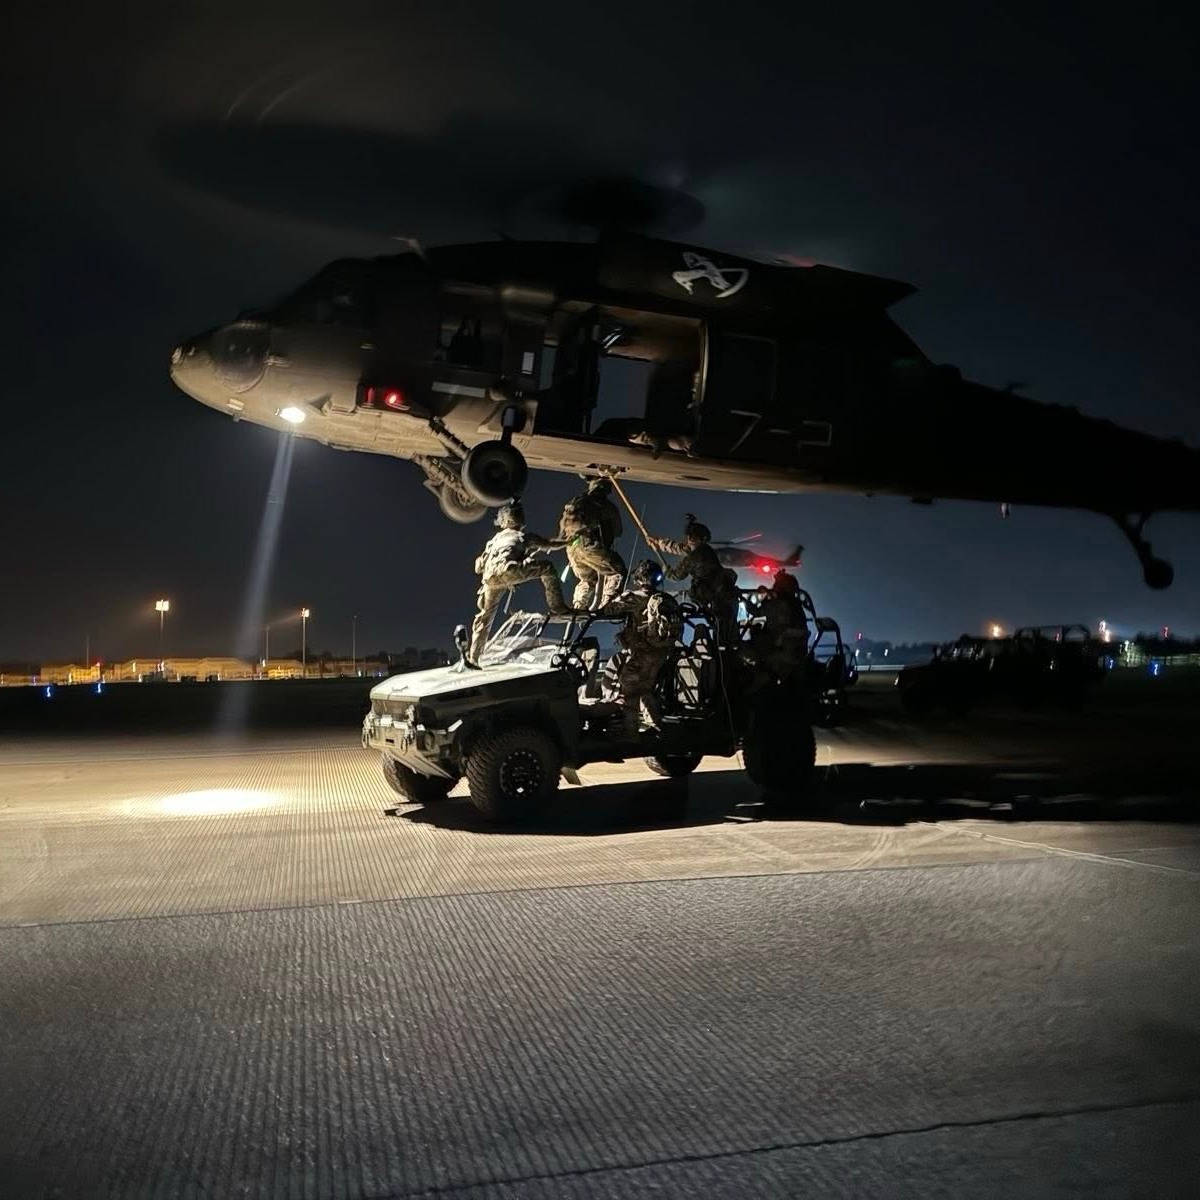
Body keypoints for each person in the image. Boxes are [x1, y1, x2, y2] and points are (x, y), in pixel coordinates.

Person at [468, 501, 573, 665]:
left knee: (485, 618)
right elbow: (550, 544)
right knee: (548, 568)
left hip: (490, 579)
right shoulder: (523, 536)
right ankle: (557, 607)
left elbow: (478, 567)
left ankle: (473, 658)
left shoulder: (494, 541)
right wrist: (569, 541)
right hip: (509, 571)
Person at [601, 559, 682, 734]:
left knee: (627, 694)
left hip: (641, 655)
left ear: (639, 578)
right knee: (645, 690)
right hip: (660, 654)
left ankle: (630, 735)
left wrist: (614, 592)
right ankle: (657, 728)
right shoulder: (668, 600)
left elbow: (607, 609)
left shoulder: (634, 597)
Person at [647, 513, 738, 646]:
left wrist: (666, 571)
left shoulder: (694, 557)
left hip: (714, 598)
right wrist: (659, 542)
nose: (688, 540)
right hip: (726, 594)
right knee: (728, 632)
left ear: (697, 539)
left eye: (691, 537)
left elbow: (676, 576)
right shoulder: (706, 550)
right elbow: (681, 548)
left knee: (722, 634)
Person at [558, 476, 627, 610]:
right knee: (617, 571)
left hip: (572, 548)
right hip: (590, 547)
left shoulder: (576, 502)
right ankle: (607, 607)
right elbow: (618, 531)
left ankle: (578, 606)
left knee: (588, 579)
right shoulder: (607, 506)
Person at [748, 569, 810, 687]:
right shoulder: (796, 606)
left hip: (781, 654)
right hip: (796, 653)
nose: (774, 587)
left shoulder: (779, 604)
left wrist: (755, 600)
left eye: (777, 585)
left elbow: (755, 611)